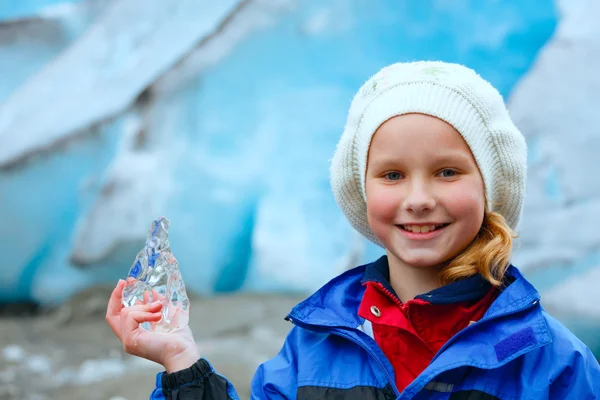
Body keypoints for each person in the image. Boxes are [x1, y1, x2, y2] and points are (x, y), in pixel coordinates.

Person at [106, 61, 600, 399]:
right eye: (392, 175)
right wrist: (180, 361)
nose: (419, 197)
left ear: (489, 187)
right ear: (361, 192)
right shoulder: (316, 346)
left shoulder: (551, 361)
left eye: (447, 172)